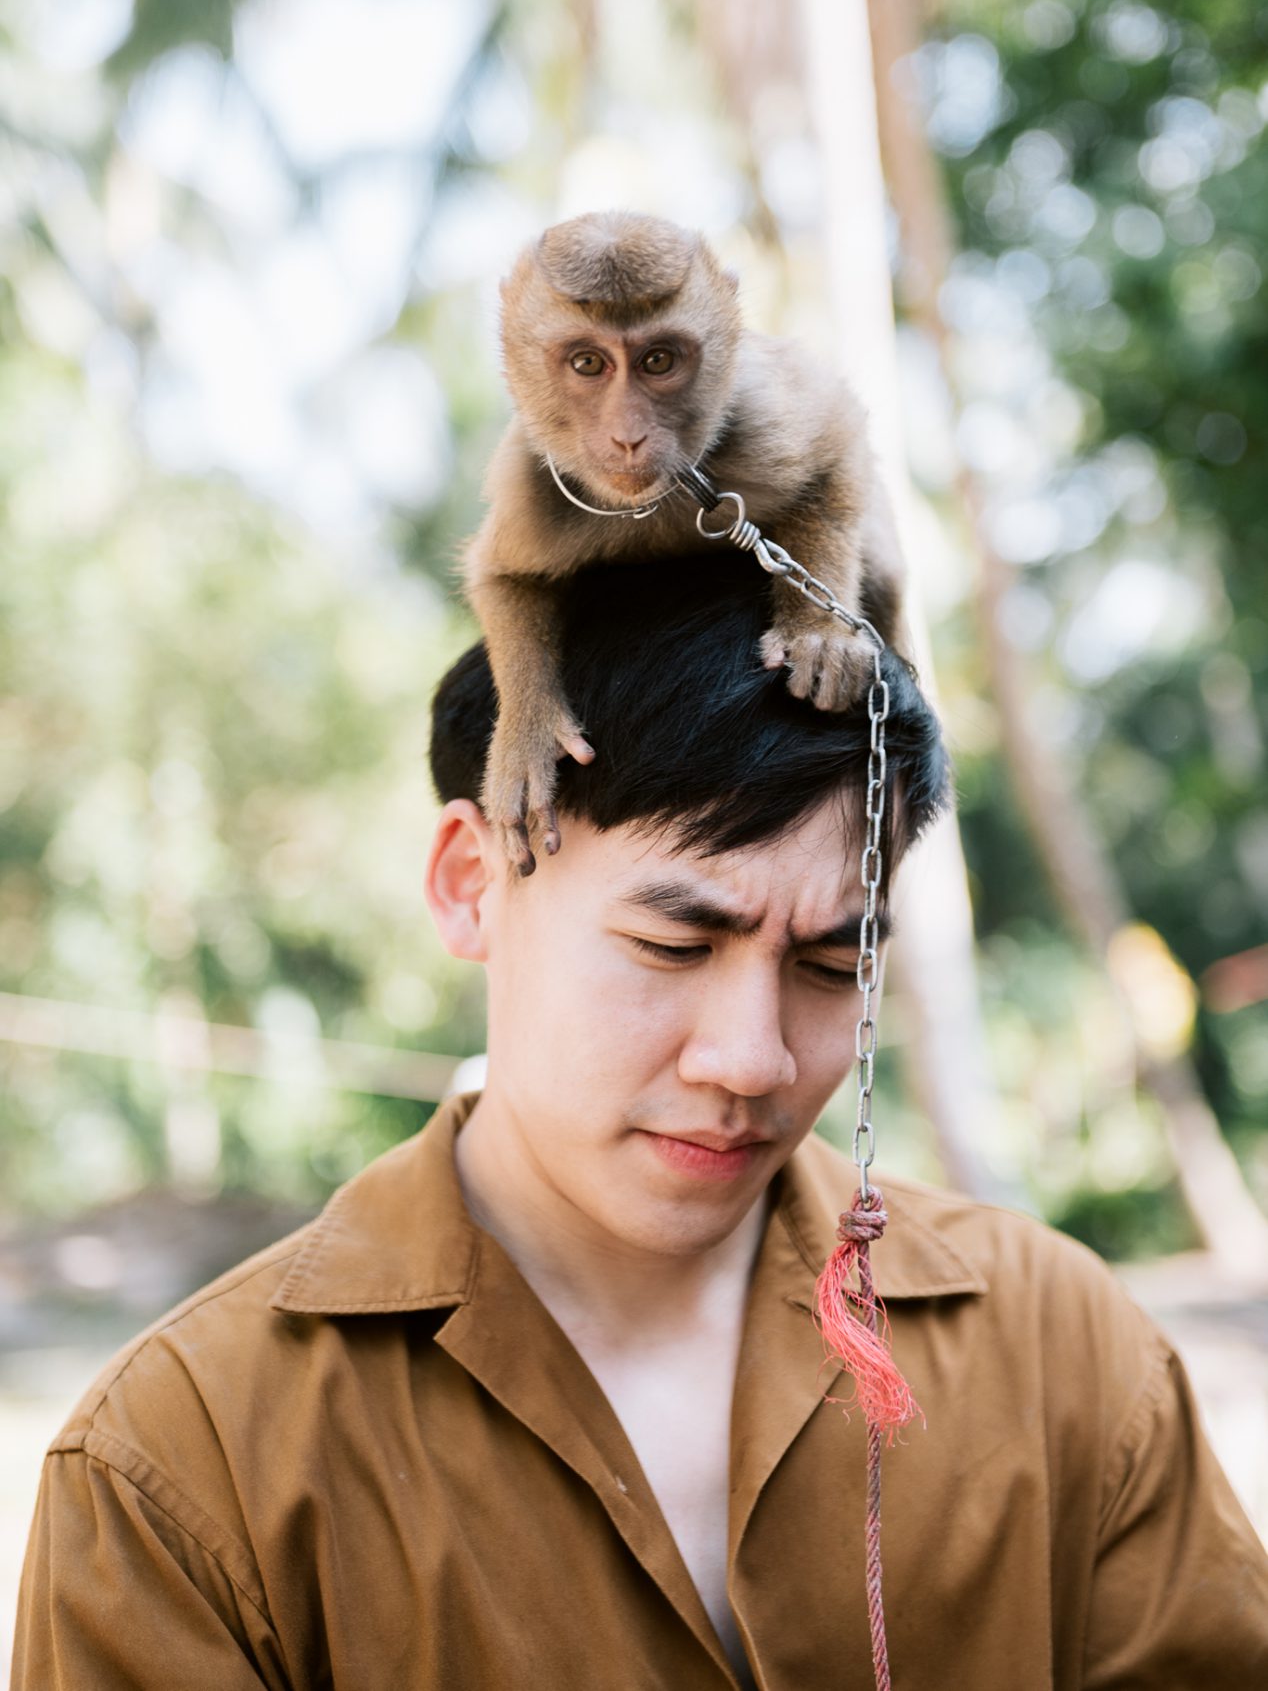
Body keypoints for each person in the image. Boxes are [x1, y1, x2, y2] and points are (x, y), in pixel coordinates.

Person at [13, 551, 1268, 1690]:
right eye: (675, 941)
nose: (753, 1058)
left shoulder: (1062, 1353)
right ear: (470, 883)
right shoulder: (183, 1469)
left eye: (835, 968)